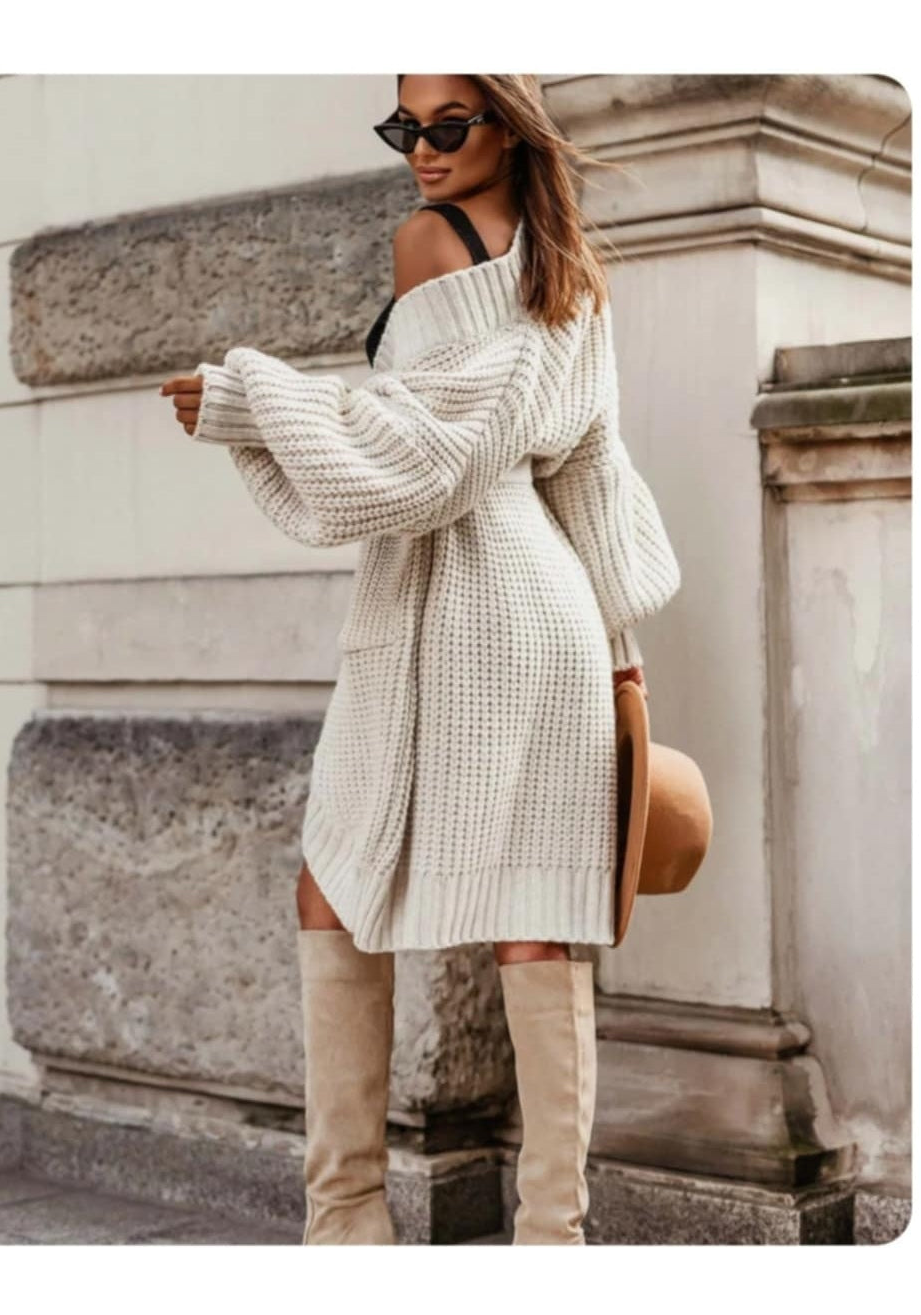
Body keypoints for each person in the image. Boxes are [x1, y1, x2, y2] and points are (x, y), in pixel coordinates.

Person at [159, 73, 681, 1246]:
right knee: (533, 915)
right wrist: (619, 656)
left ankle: (346, 1228)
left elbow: (420, 455)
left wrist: (249, 401)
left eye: (448, 126)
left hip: (459, 606)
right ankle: (553, 1240)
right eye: (404, 127)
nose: (422, 152)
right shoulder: (569, 268)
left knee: (334, 888)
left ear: (509, 123)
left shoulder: (430, 241)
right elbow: (587, 476)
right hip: (552, 617)